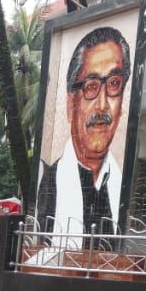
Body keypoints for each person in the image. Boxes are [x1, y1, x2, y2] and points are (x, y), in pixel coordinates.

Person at [36, 25, 130, 244]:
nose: (102, 105)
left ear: (122, 103)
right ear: (71, 105)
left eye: (114, 84)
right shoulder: (47, 184)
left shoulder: (125, 188)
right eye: (91, 86)